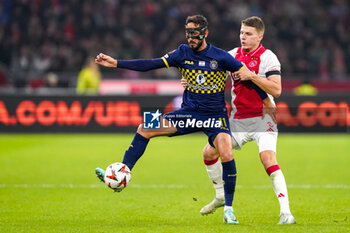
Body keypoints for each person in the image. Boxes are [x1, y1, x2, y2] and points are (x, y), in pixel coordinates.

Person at [94, 15, 267, 225]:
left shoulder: (221, 57)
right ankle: (121, 173)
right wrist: (117, 63)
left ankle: (228, 209)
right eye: (188, 33)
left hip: (214, 116)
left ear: (205, 33)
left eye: (195, 33)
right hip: (188, 113)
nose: (191, 37)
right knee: (144, 126)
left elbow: (248, 77)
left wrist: (266, 99)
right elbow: (151, 64)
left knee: (226, 151)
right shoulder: (182, 52)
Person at [182, 16, 295, 224]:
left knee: (267, 159)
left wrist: (252, 76)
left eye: (249, 34)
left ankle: (286, 213)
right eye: (242, 32)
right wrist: (191, 79)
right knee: (209, 152)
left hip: (264, 118)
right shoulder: (232, 55)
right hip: (238, 120)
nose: (243, 37)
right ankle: (220, 195)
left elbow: (276, 90)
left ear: (260, 37)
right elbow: (210, 74)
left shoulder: (269, 58)